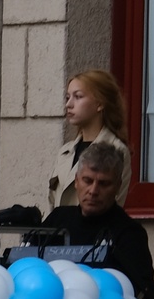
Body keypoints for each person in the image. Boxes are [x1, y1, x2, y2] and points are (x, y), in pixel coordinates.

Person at [41, 141, 154, 299]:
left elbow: (146, 295)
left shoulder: (129, 234)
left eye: (104, 184)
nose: (93, 191)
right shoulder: (57, 219)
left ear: (118, 186)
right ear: (76, 181)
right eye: (87, 181)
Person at [46, 69, 130, 210]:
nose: (69, 104)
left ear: (100, 103)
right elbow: (52, 205)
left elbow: (112, 205)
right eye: (68, 97)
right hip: (58, 231)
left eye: (78, 97)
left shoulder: (116, 150)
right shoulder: (65, 152)